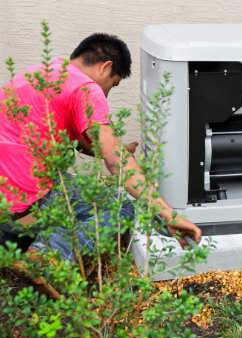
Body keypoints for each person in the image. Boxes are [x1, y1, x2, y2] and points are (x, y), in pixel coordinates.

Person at [0, 33, 202, 292]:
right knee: (124, 208)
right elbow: (116, 162)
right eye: (112, 84)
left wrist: (111, 148)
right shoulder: (86, 88)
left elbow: (83, 141)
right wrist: (168, 213)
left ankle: (18, 237)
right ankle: (46, 256)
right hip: (25, 201)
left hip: (7, 197)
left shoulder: (39, 73)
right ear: (105, 66)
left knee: (80, 187)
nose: (106, 93)